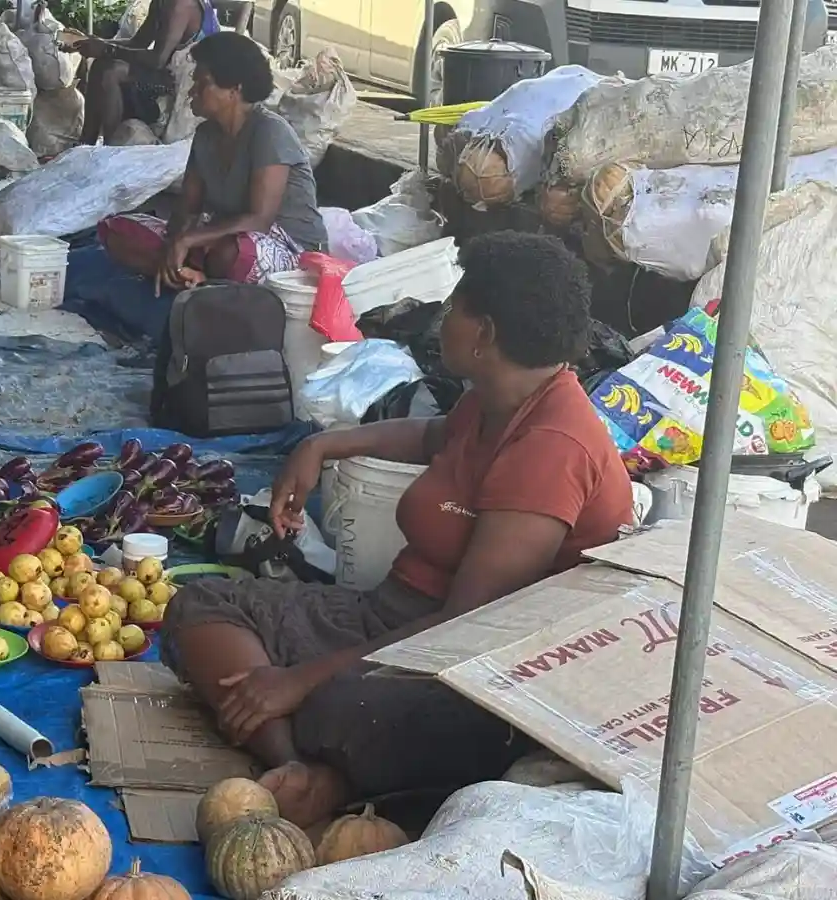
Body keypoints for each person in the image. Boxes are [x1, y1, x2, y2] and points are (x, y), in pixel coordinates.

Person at [160, 231, 633, 830]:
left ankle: (308, 758)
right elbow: (431, 436)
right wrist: (323, 444)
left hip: (466, 667)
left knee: (338, 708)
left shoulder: (552, 446)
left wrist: (298, 681)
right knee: (204, 604)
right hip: (390, 617)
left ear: (484, 333)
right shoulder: (496, 398)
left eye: (456, 306)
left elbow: (465, 630)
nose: (444, 321)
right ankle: (298, 770)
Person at [97, 32, 327, 291]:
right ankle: (190, 277)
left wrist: (188, 241)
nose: (192, 91)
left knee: (231, 255)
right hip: (222, 236)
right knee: (118, 231)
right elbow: (188, 209)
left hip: (289, 248)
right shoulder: (205, 135)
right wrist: (175, 242)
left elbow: (259, 220)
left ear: (234, 90)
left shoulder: (269, 131)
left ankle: (200, 279)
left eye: (202, 83)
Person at [75, 0, 218, 146]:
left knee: (110, 72)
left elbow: (158, 60)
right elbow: (137, 43)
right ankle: (85, 144)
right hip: (169, 72)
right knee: (101, 64)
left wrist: (107, 49)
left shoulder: (179, 5)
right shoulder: (161, 3)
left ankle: (111, 148)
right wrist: (97, 43)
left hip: (188, 84)